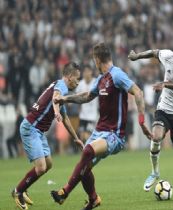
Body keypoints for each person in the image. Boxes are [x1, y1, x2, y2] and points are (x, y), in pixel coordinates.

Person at [51, 43, 152, 210]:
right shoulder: (101, 79)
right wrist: (65, 99)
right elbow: (87, 96)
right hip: (100, 131)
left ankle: (65, 192)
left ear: (97, 59)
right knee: (84, 167)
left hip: (114, 135)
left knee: (87, 151)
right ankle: (93, 199)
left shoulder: (117, 75)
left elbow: (138, 92)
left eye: (94, 59)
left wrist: (141, 121)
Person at [128, 34, 173, 196]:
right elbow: (154, 52)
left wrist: (164, 84)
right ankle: (155, 172)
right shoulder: (168, 56)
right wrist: (137, 56)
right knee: (156, 137)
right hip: (163, 109)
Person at [12, 62, 84, 210]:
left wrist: (76, 138)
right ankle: (17, 191)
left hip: (38, 131)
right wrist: (56, 111)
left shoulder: (60, 88)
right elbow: (55, 98)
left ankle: (24, 187)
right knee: (41, 167)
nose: (78, 81)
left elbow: (65, 118)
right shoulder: (61, 86)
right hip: (31, 127)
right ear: (69, 76)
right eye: (77, 78)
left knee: (48, 165)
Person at [76, 65, 99, 142]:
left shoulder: (96, 82)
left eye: (88, 71)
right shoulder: (80, 84)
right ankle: (85, 152)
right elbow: (77, 97)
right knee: (82, 136)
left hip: (92, 116)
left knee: (87, 136)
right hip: (83, 115)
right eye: (85, 72)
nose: (86, 73)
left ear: (91, 72)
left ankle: (89, 151)